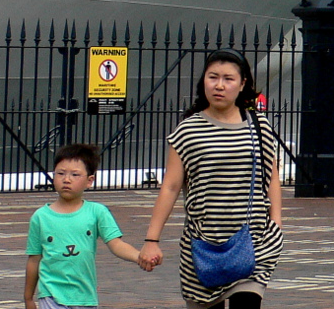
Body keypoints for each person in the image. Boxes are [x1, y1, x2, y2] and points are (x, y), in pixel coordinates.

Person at [140, 50, 284, 308]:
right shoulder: (188, 129)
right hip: (204, 243)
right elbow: (171, 186)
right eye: (213, 77)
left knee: (248, 301)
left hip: (253, 240)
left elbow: (271, 174)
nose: (219, 85)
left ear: (242, 85)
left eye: (228, 79)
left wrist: (276, 222)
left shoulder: (259, 125)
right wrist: (152, 240)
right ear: (203, 81)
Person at [25, 143, 143, 309]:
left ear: (90, 181)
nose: (66, 179)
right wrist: (28, 297)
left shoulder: (97, 212)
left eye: (75, 174)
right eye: (60, 173)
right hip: (50, 295)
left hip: (85, 298)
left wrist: (139, 256)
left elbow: (116, 244)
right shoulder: (41, 217)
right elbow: (34, 259)